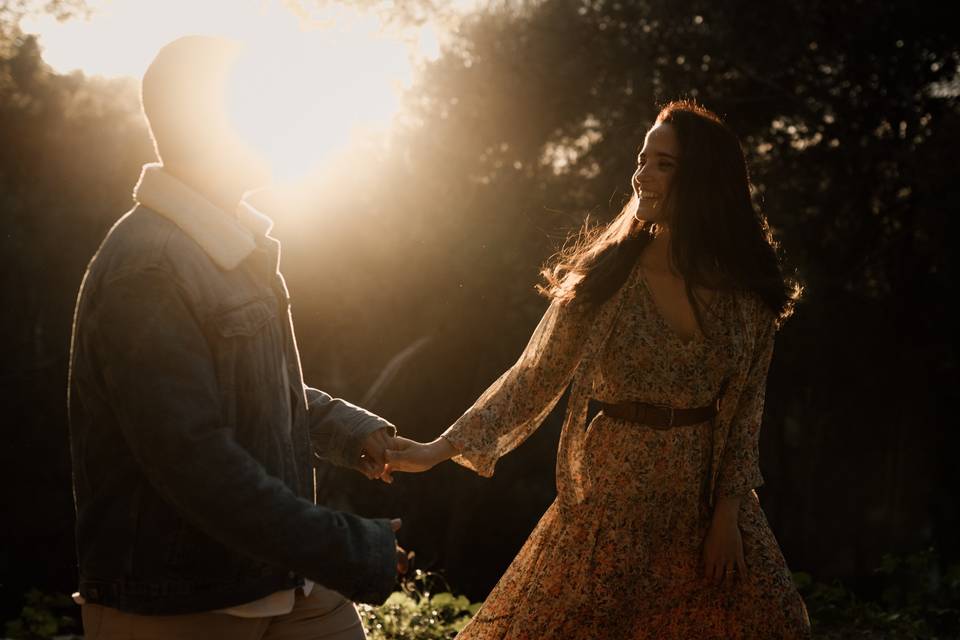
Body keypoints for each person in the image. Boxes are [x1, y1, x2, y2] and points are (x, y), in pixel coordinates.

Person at [383, 101, 812, 638]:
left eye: (664, 164)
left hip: (701, 498)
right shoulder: (606, 281)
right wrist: (438, 448)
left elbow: (747, 412)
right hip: (610, 496)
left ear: (705, 179)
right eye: (642, 159)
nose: (642, 175)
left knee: (775, 619)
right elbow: (533, 377)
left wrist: (728, 513)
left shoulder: (748, 298)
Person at [67, 35, 403, 639]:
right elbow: (195, 461)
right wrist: (348, 549)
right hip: (179, 600)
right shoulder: (149, 270)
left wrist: (347, 429)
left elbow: (249, 385)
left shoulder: (224, 239)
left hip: (278, 577)